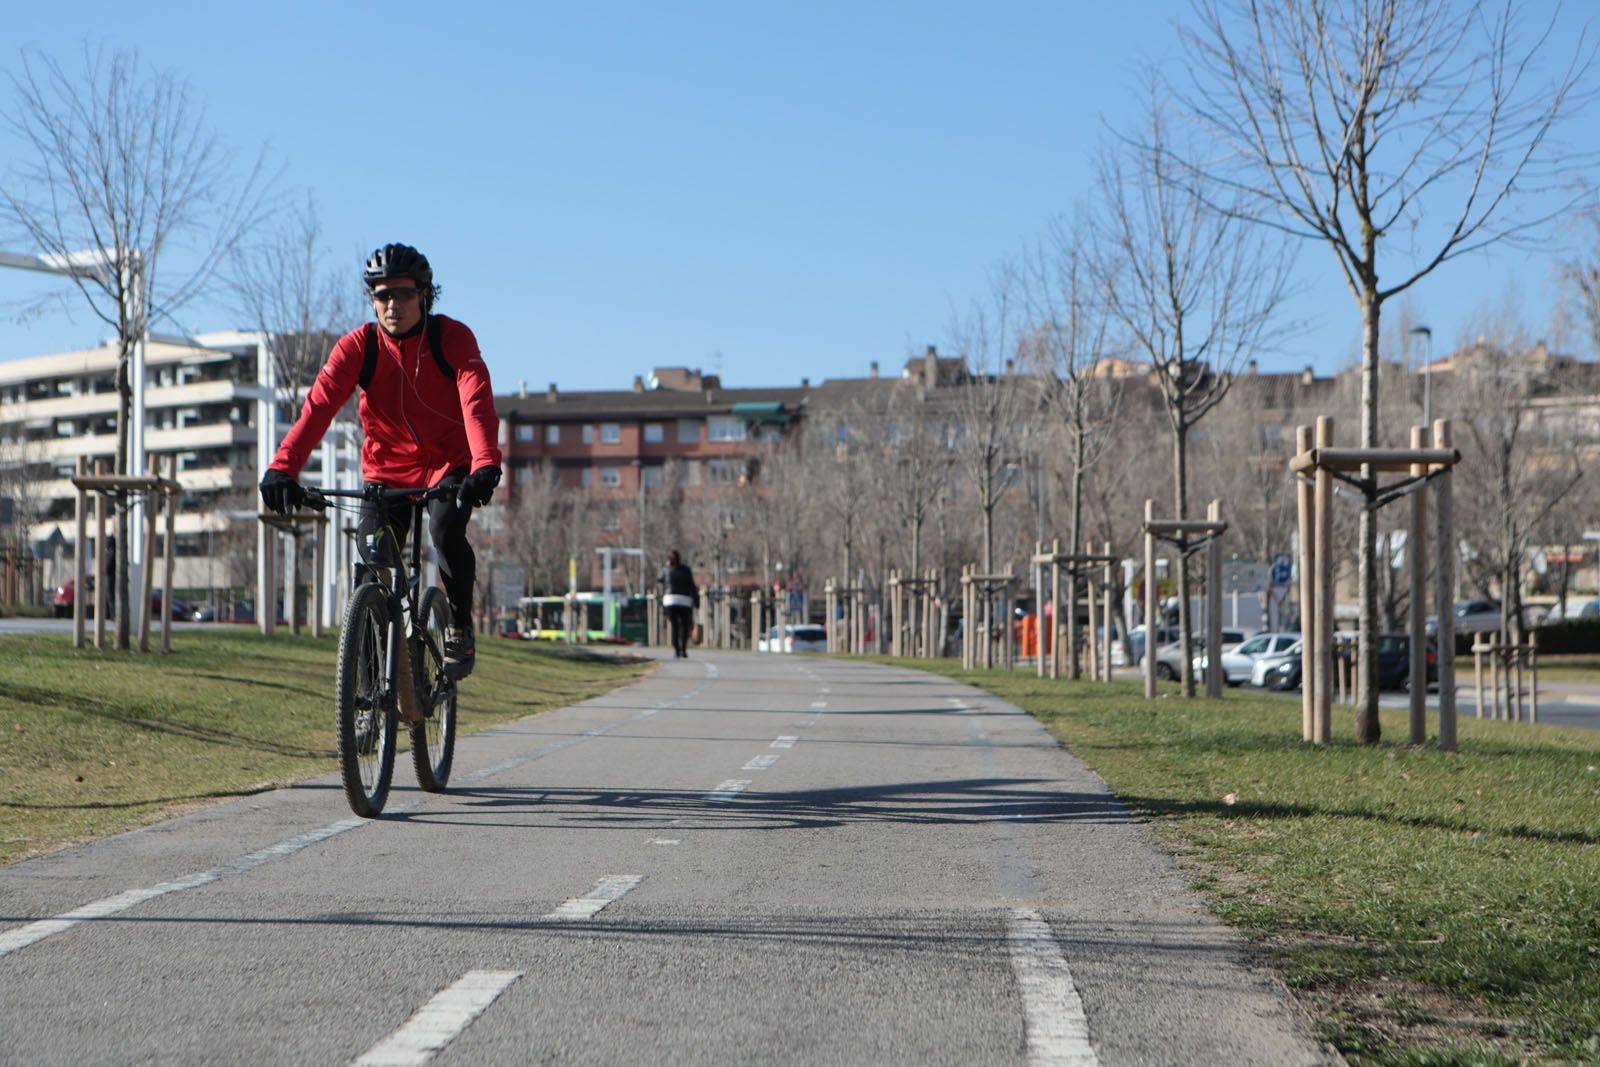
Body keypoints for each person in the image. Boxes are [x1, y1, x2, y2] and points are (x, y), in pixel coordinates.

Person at [259, 243, 501, 680]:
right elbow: (317, 408)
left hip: (450, 465)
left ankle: (460, 626)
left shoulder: (452, 338)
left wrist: (484, 463)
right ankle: (368, 695)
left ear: (425, 295)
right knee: (370, 568)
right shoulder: (359, 347)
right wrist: (283, 467)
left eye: (404, 294)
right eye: (382, 295)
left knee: (445, 530)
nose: (393, 305)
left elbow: (476, 401)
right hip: (386, 472)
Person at [658, 549, 699, 659]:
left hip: (670, 600)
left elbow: (659, 578)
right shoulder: (686, 570)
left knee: (675, 626)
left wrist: (666, 566)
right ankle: (683, 649)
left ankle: (676, 650)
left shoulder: (666, 569)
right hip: (684, 601)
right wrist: (696, 600)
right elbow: (692, 585)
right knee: (685, 626)